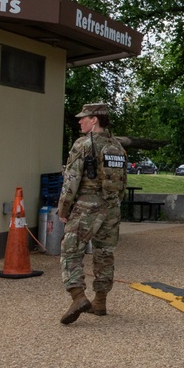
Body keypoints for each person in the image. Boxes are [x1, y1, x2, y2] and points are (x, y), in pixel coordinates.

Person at [57, 102, 128, 324]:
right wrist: (114, 204)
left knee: (70, 250)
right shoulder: (118, 147)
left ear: (94, 119)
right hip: (112, 207)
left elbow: (71, 181)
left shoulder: (83, 144)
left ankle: (78, 296)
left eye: (83, 117)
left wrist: (64, 208)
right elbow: (123, 182)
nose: (80, 121)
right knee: (104, 252)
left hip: (87, 205)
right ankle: (100, 301)